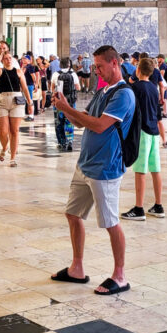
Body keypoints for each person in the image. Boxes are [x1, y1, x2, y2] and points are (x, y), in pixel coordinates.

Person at [50, 45, 135, 295]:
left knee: (110, 222)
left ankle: (119, 276)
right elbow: (82, 121)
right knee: (73, 214)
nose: (95, 71)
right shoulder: (102, 92)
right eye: (95, 67)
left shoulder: (123, 95)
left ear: (114, 64)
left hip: (105, 167)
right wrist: (65, 107)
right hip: (85, 164)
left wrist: (67, 109)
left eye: (99, 67)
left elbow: (99, 126)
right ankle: (77, 268)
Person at [122, 57, 164, 220]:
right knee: (155, 169)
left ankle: (139, 208)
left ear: (137, 70)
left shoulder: (135, 88)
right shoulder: (154, 88)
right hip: (154, 131)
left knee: (140, 170)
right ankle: (158, 205)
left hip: (142, 132)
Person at [0, 52, 31, 166]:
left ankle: (12, 158)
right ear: (3, 61)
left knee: (14, 130)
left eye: (10, 58)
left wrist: (30, 101)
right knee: (3, 131)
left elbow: (25, 88)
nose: (8, 60)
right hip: (2, 100)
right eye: (5, 59)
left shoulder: (18, 71)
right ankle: (4, 148)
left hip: (16, 100)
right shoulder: (1, 71)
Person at [52, 57, 77, 151]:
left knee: (59, 122)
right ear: (69, 64)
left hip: (59, 101)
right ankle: (70, 141)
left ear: (60, 64)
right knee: (70, 121)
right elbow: (78, 87)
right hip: (70, 101)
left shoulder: (56, 74)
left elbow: (52, 87)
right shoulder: (73, 74)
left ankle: (61, 142)